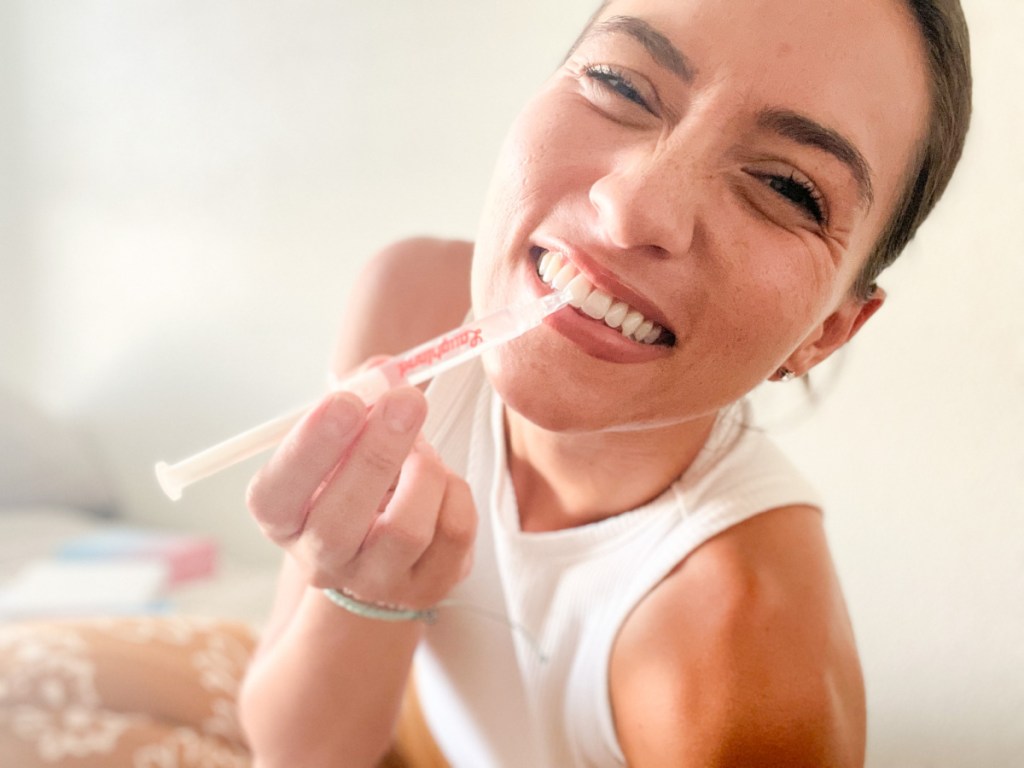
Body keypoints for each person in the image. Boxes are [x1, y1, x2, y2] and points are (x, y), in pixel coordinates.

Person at [238, 0, 972, 765]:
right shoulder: (412, 303)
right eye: (621, 82)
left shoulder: (745, 670)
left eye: (788, 189)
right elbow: (295, 749)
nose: (633, 207)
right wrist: (366, 597)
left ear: (827, 331)